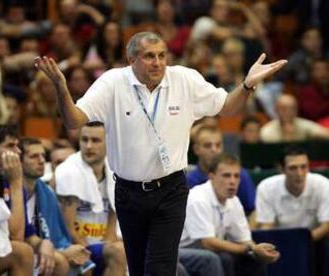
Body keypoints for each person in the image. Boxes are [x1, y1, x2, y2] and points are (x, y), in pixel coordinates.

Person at [35, 31, 287, 275]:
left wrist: (246, 85)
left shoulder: (184, 79)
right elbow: (73, 121)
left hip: (171, 190)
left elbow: (227, 107)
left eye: (162, 55)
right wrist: (60, 86)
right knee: (138, 268)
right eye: (149, 56)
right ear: (131, 60)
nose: (157, 63)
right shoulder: (112, 82)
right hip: (128, 192)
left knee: (160, 268)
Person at [0, 124, 69, 275]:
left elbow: (27, 234)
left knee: (58, 262)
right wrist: (16, 182)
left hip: (0, 250)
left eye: (17, 146)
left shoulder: (10, 182)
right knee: (22, 252)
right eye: (11, 146)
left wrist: (44, 243)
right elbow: (16, 236)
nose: (18, 151)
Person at [182, 153, 280, 276]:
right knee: (217, 259)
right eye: (226, 176)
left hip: (208, 250)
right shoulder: (198, 198)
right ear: (211, 176)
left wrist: (257, 250)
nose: (232, 181)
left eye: (236, 176)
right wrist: (250, 249)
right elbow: (208, 242)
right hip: (181, 251)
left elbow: (244, 240)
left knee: (254, 259)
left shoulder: (234, 201)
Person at [55, 122, 126, 276]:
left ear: (109, 142)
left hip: (100, 245)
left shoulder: (115, 171)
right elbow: (69, 229)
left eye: (95, 140)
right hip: (73, 245)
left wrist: (108, 244)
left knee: (122, 250)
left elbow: (112, 226)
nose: (88, 146)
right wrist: (88, 255)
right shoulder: (68, 172)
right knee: (118, 251)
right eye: (84, 140)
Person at [20, 137, 95, 274]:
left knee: (85, 264)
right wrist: (65, 252)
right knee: (59, 260)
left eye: (43, 155)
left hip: (47, 248)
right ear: (19, 161)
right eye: (34, 157)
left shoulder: (47, 193)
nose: (42, 160)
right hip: (24, 251)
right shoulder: (11, 190)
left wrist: (68, 250)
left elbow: (58, 237)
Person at [256, 146, 329, 240]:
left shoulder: (323, 185)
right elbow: (266, 227)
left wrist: (300, 242)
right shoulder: (266, 187)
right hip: (279, 242)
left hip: (315, 241)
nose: (299, 173)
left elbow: (326, 226)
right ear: (281, 169)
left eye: (304, 167)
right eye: (293, 168)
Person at [187, 126, 256, 215]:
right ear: (196, 149)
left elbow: (254, 211)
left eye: (218, 145)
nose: (214, 150)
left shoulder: (239, 174)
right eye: (208, 145)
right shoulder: (189, 180)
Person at [260, 94, 329, 142]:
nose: (288, 112)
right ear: (276, 109)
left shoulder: (303, 124)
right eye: (283, 108)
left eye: (292, 108)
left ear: (296, 110)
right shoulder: (267, 131)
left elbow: (325, 134)